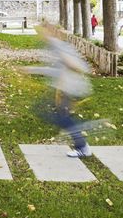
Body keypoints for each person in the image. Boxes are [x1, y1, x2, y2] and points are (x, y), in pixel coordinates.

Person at [25, 29, 106, 158]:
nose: (40, 35)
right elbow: (57, 71)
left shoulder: (60, 47)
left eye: (43, 32)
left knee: (62, 117)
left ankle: (83, 147)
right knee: (57, 115)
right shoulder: (55, 47)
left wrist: (70, 64)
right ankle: (81, 137)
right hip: (66, 88)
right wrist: (33, 69)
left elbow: (82, 67)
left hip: (72, 89)